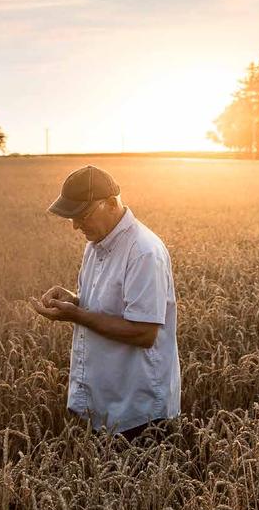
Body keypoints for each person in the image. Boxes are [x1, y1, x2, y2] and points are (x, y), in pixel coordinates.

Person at [29, 164, 180, 442]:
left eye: (82, 215)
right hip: (104, 401)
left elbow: (143, 332)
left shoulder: (143, 251)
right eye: (70, 217)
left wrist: (76, 315)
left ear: (111, 204)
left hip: (138, 410)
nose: (75, 225)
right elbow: (104, 309)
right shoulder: (96, 244)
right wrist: (73, 300)